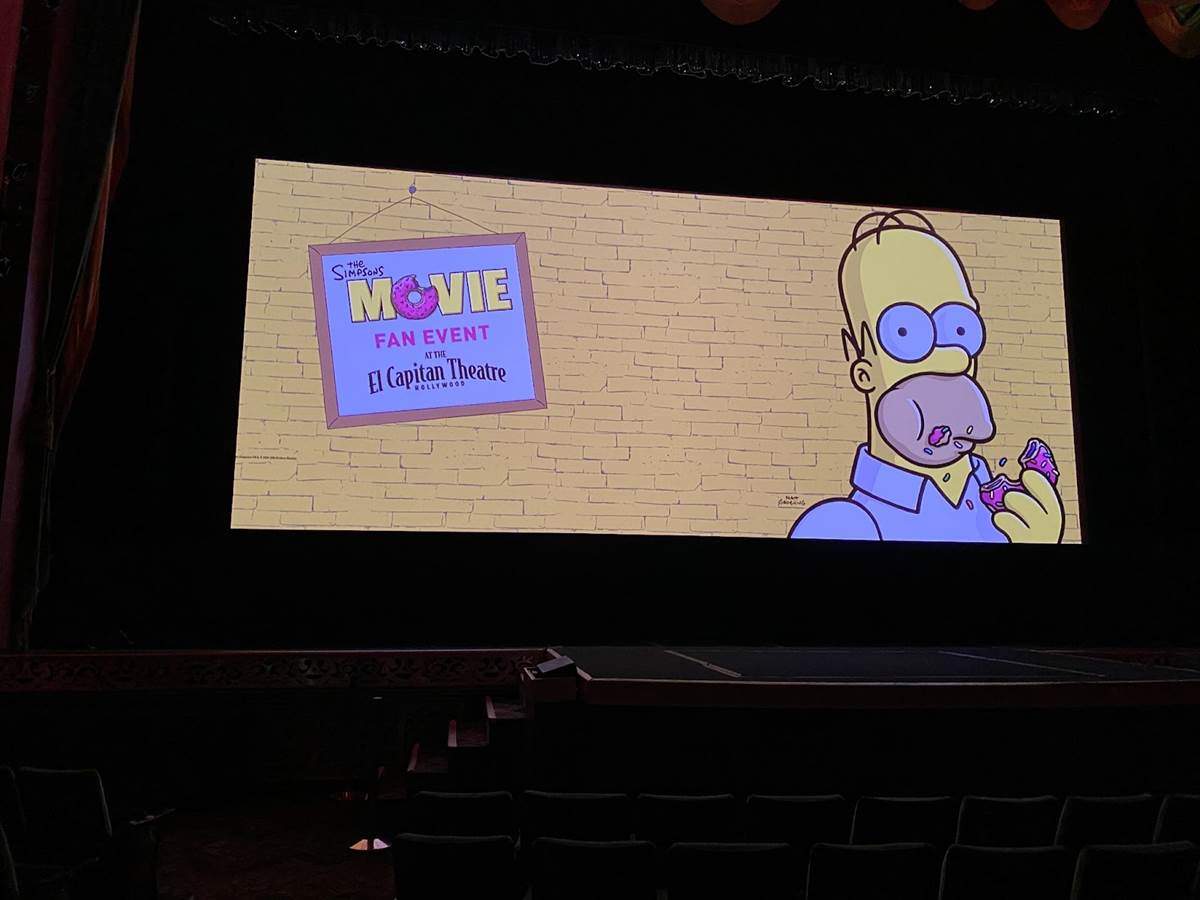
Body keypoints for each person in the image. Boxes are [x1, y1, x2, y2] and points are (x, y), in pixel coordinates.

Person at [788, 210, 1063, 543]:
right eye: (905, 331)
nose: (951, 357)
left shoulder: (1002, 502)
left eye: (960, 328)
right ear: (862, 364)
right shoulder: (845, 526)